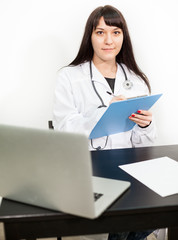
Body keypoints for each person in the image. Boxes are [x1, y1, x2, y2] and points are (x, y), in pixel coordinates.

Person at [53, 5, 155, 240]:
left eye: (116, 32)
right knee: (127, 219)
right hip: (86, 168)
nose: (109, 40)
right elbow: (64, 130)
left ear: (123, 37)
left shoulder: (136, 80)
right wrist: (103, 113)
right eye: (100, 32)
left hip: (128, 170)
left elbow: (144, 144)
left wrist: (145, 125)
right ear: (90, 37)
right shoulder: (69, 77)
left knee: (162, 205)